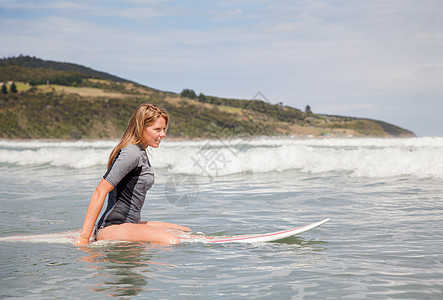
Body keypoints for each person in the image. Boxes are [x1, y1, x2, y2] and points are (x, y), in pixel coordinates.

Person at [74, 103, 190, 246]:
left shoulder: (141, 152)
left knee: (186, 231)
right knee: (172, 241)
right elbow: (100, 191)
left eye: (164, 129)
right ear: (141, 128)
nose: (163, 134)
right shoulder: (131, 152)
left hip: (130, 223)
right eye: (157, 129)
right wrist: (84, 238)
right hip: (114, 226)